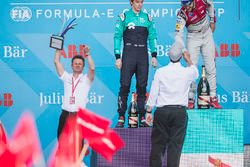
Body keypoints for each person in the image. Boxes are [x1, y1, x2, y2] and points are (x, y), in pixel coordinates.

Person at [146, 42, 199, 167]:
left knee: (157, 147)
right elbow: (196, 73)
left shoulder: (161, 72)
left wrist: (149, 111)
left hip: (162, 112)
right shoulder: (187, 72)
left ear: (168, 56)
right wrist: (188, 59)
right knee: (175, 148)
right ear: (181, 56)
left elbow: (154, 92)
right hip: (179, 112)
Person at [114, 0, 158, 128]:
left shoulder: (147, 17)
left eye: (141, 2)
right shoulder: (124, 16)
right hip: (129, 54)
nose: (140, 5)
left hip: (143, 54)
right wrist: (118, 57)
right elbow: (117, 36)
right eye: (137, 2)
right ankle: (121, 116)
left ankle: (142, 117)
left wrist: (154, 55)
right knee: (125, 85)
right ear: (131, 2)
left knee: (142, 87)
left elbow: (152, 36)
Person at [174, 0, 222, 109]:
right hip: (193, 37)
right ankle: (191, 99)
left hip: (207, 34)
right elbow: (177, 35)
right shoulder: (182, 14)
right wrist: (183, 50)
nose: (186, 7)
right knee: (192, 69)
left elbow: (211, 5)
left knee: (211, 67)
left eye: (188, 5)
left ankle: (213, 97)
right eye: (183, 5)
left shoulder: (202, 1)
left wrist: (212, 20)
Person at [54, 47, 95, 140]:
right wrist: (58, 47)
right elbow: (56, 62)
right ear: (71, 65)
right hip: (65, 115)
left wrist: (88, 54)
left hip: (79, 117)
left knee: (77, 146)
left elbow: (92, 68)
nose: (77, 65)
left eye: (80, 64)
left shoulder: (86, 79)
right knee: (62, 144)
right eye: (75, 63)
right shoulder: (66, 77)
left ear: (83, 66)